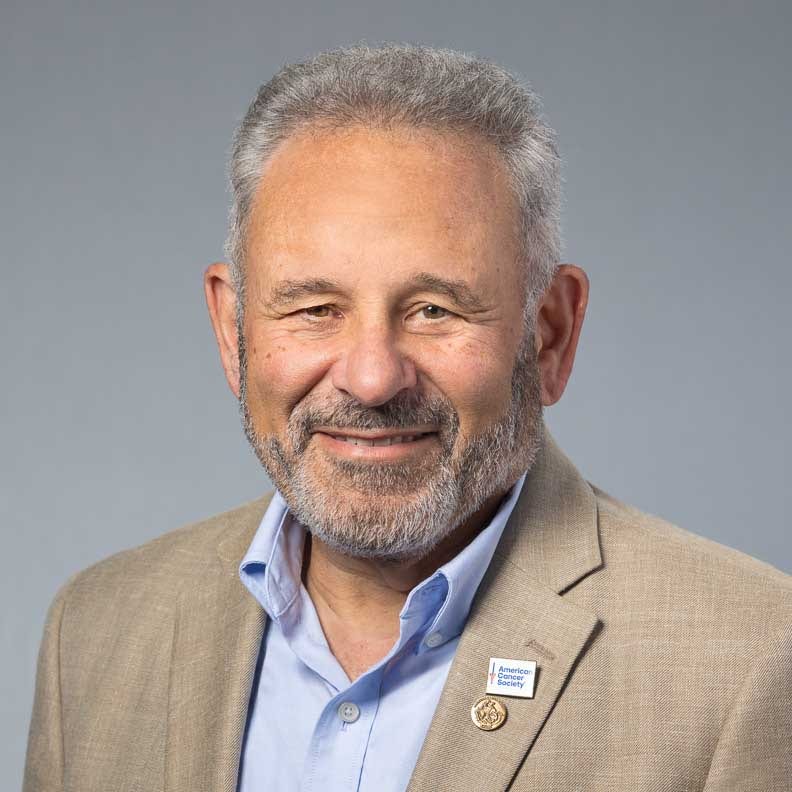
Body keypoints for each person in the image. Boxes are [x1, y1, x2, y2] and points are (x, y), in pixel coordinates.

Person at [24, 43, 792, 792]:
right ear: (234, 333)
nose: (371, 378)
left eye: (434, 309)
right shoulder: (95, 631)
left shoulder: (749, 657)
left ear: (550, 332)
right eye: (315, 308)